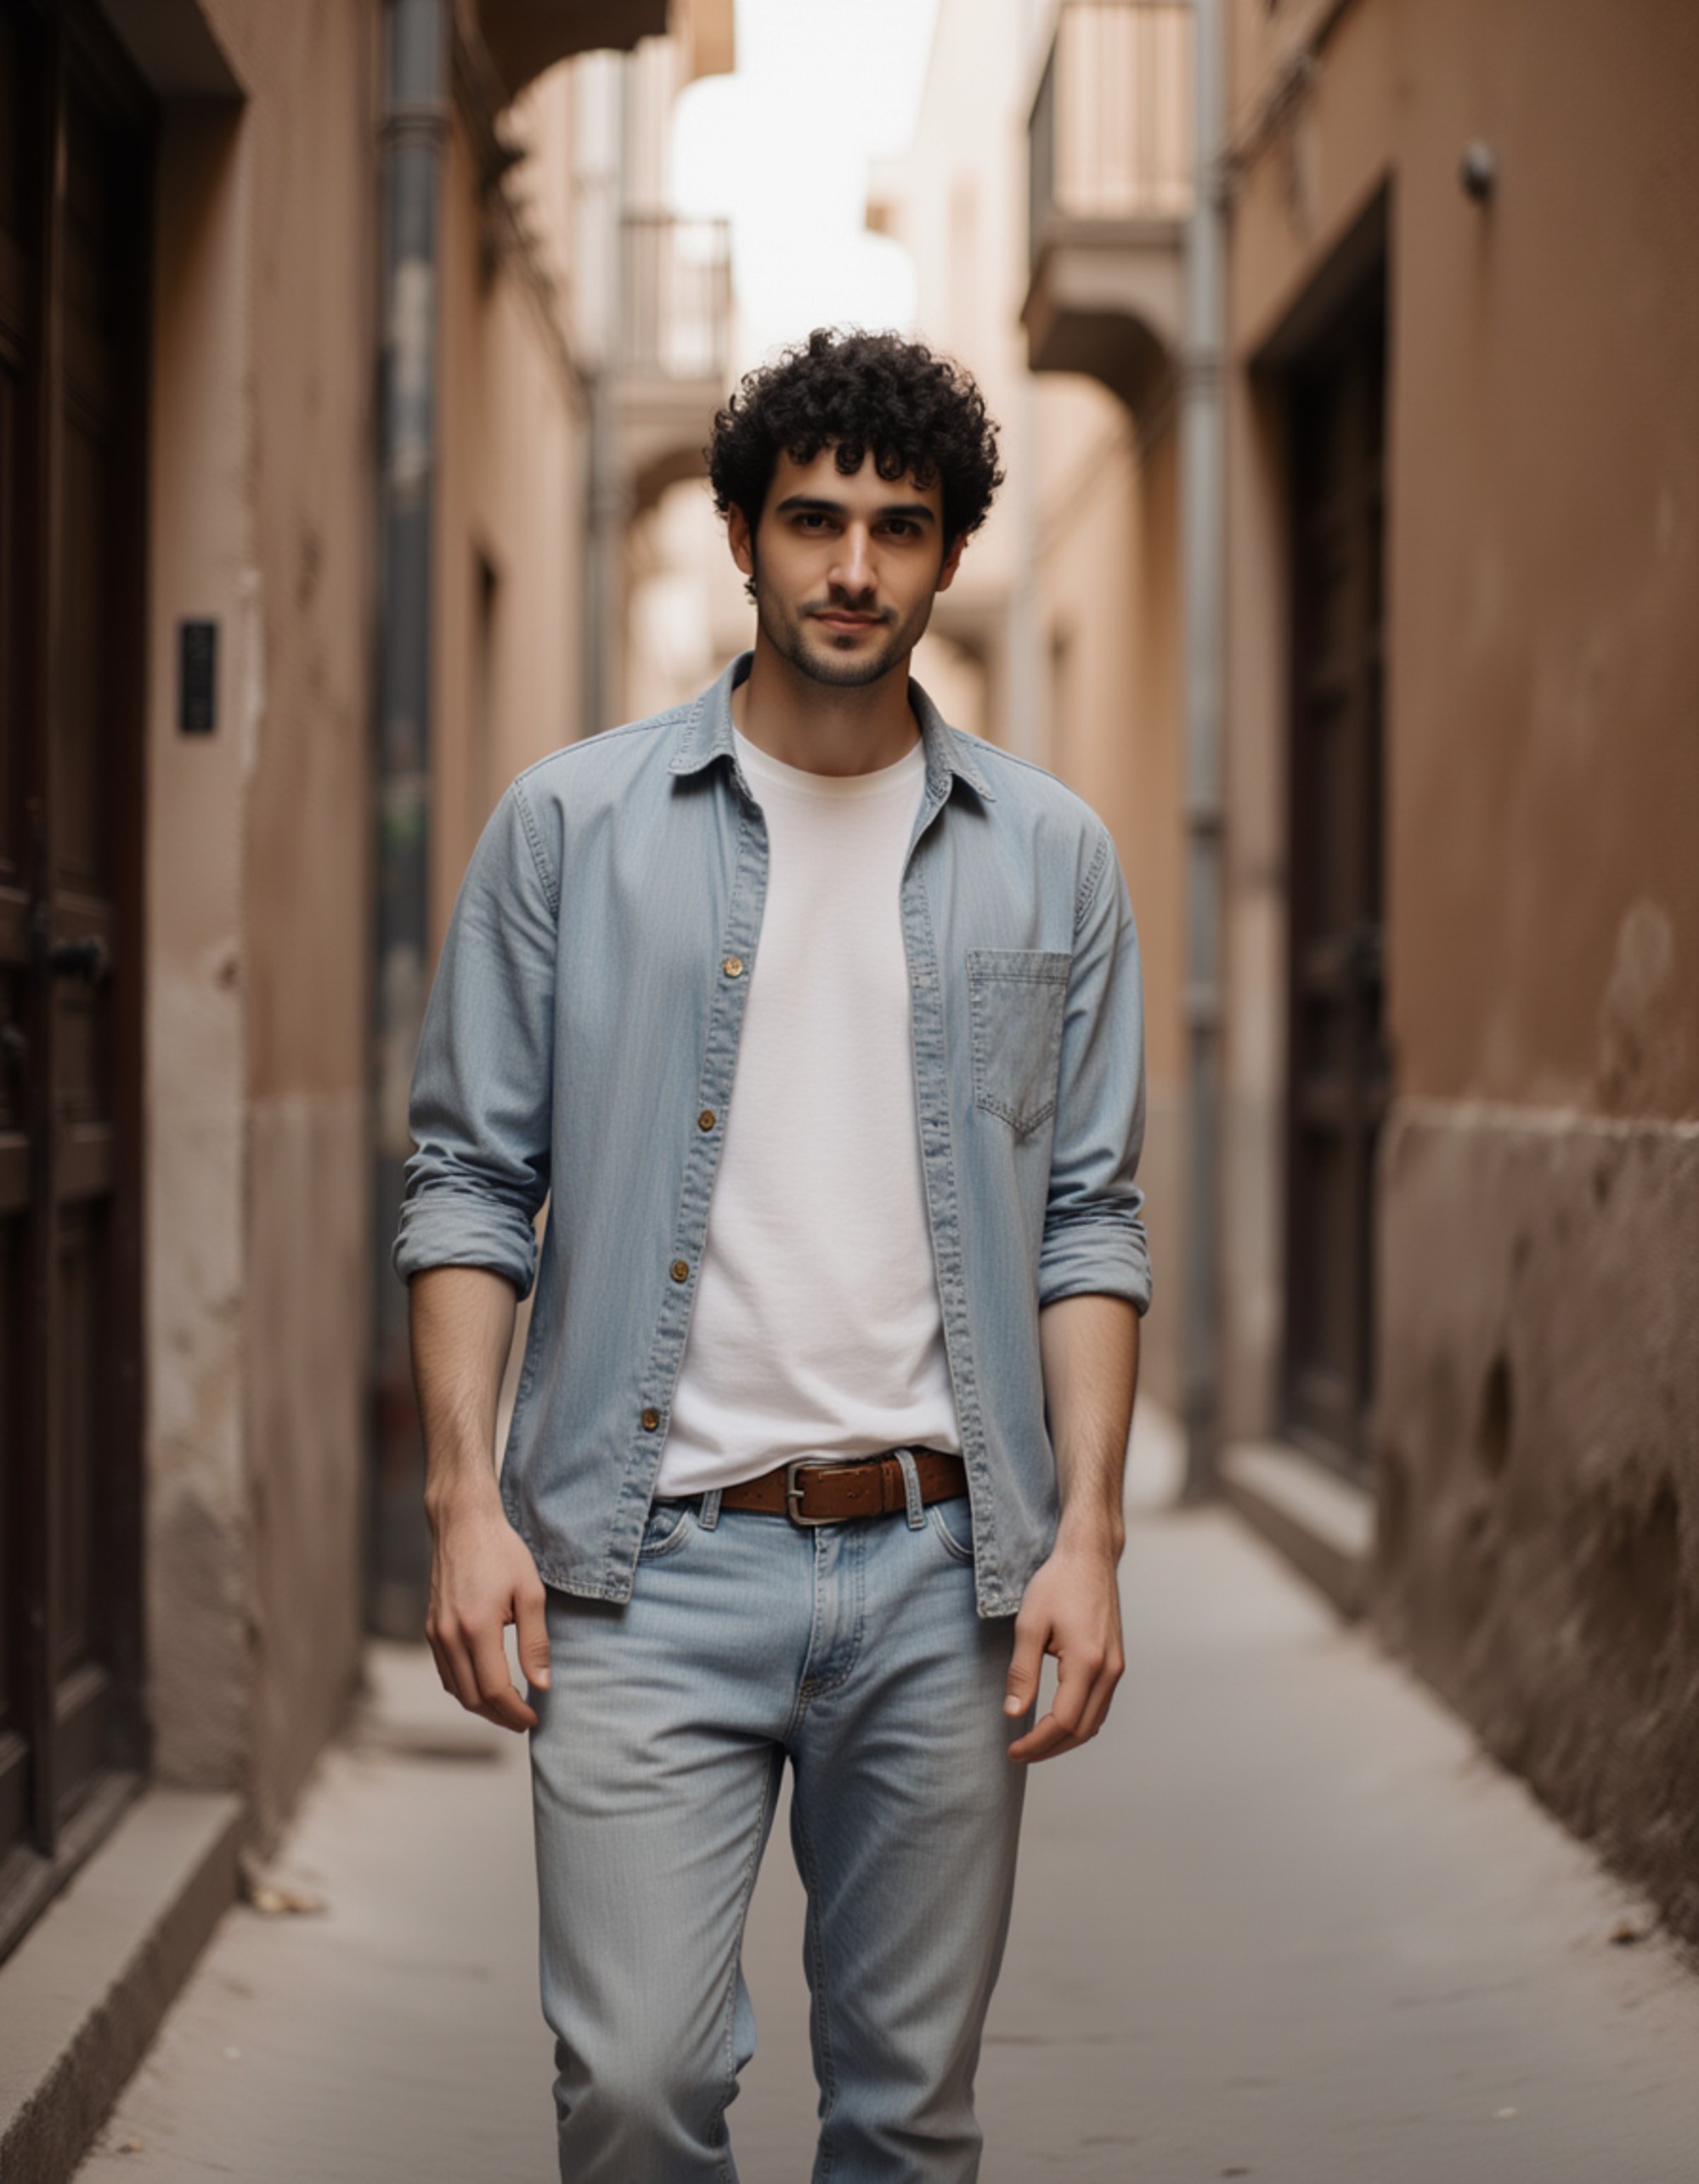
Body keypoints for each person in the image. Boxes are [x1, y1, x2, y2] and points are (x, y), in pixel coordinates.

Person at [396, 327, 1151, 2183]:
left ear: (949, 551)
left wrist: (1088, 1536)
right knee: (637, 2089)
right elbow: (471, 1179)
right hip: (645, 1565)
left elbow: (1086, 1215)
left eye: (898, 527)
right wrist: (461, 1502)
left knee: (906, 2121)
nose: (850, 566)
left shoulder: (1047, 858)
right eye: (812, 518)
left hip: (935, 1574)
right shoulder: (571, 828)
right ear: (740, 532)